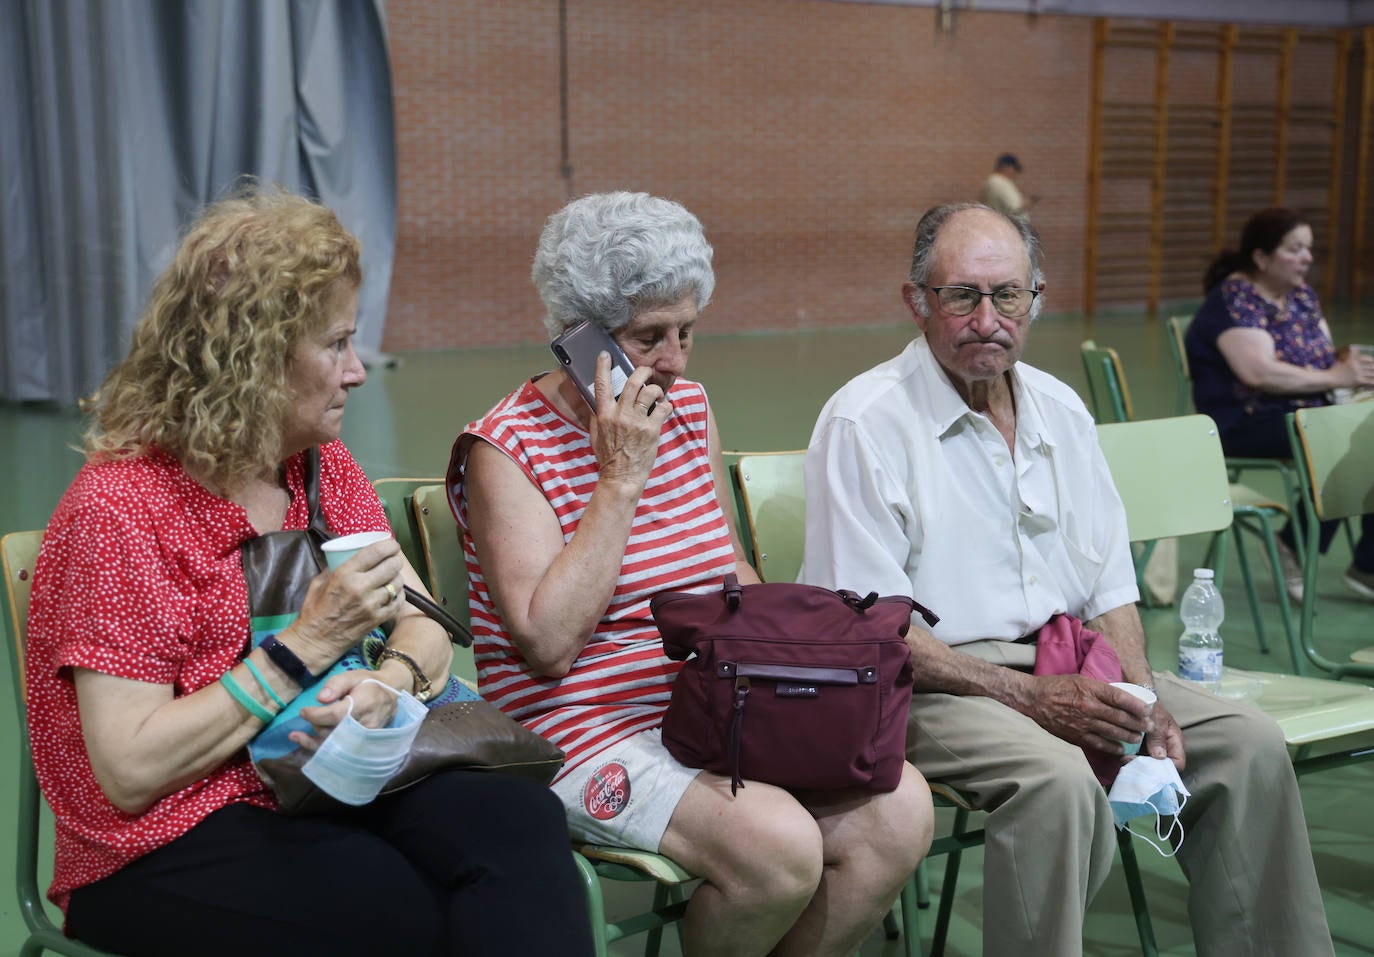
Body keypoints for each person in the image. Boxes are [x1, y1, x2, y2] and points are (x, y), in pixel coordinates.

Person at [25, 187, 592, 957]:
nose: (357, 372)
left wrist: (383, 684)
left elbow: (421, 621)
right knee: (398, 911)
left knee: (519, 827)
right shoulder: (123, 507)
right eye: (335, 344)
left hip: (318, 776)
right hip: (160, 836)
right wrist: (308, 645)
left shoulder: (317, 469)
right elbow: (131, 770)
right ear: (250, 359)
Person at [802, 202, 1333, 957]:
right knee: (1057, 782)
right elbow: (876, 628)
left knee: (1246, 744)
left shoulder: (1061, 409)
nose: (987, 318)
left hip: (1071, 661)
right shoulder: (867, 421)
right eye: (963, 295)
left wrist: (1144, 699)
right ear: (917, 302)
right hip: (932, 681)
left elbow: (1108, 584)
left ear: (1036, 299)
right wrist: (1028, 695)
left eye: (1007, 295)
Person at [450, 191, 933, 957]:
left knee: (901, 805)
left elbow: (725, 568)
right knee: (779, 848)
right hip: (580, 730)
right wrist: (618, 481)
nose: (675, 360)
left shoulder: (689, 409)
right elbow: (547, 644)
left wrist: (798, 665)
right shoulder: (504, 449)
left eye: (687, 331)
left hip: (710, 700)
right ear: (580, 337)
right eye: (649, 338)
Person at [1186, 206, 1374, 601]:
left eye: (1309, 248)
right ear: (1261, 256)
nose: (1307, 257)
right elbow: (1260, 374)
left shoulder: (1301, 297)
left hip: (1303, 414)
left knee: (1365, 434)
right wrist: (1335, 379)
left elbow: (1322, 356)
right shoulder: (1235, 299)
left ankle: (1362, 563)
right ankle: (1304, 547)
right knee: (1346, 442)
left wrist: (1347, 369)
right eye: (1295, 248)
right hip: (1245, 420)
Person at [980, 153, 1035, 220]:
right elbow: (1014, 208)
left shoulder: (992, 181)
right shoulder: (1000, 182)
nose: (1015, 173)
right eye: (1014, 169)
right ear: (1006, 167)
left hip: (998, 222)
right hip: (1007, 225)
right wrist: (1025, 203)